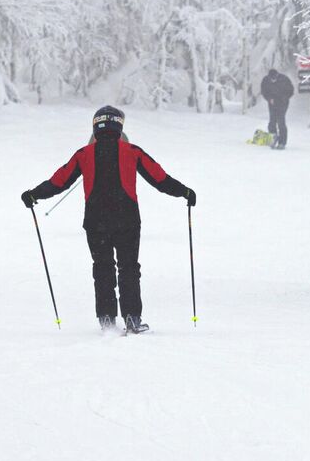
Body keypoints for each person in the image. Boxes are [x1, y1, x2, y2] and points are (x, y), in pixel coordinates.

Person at [20, 106, 195, 333]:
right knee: (129, 268)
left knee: (102, 268)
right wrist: (185, 192)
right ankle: (132, 318)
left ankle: (106, 320)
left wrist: (34, 194)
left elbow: (59, 181)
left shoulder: (83, 154)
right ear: (119, 126)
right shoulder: (132, 151)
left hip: (96, 222)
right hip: (128, 220)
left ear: (96, 126)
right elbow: (159, 179)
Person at [259, 67, 294, 150]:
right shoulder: (266, 80)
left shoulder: (284, 79)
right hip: (272, 103)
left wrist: (283, 98)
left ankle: (282, 142)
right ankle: (273, 139)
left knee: (281, 122)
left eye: (274, 79)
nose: (272, 80)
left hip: (283, 103)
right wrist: (269, 98)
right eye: (271, 79)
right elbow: (264, 91)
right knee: (272, 122)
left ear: (277, 76)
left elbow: (291, 91)